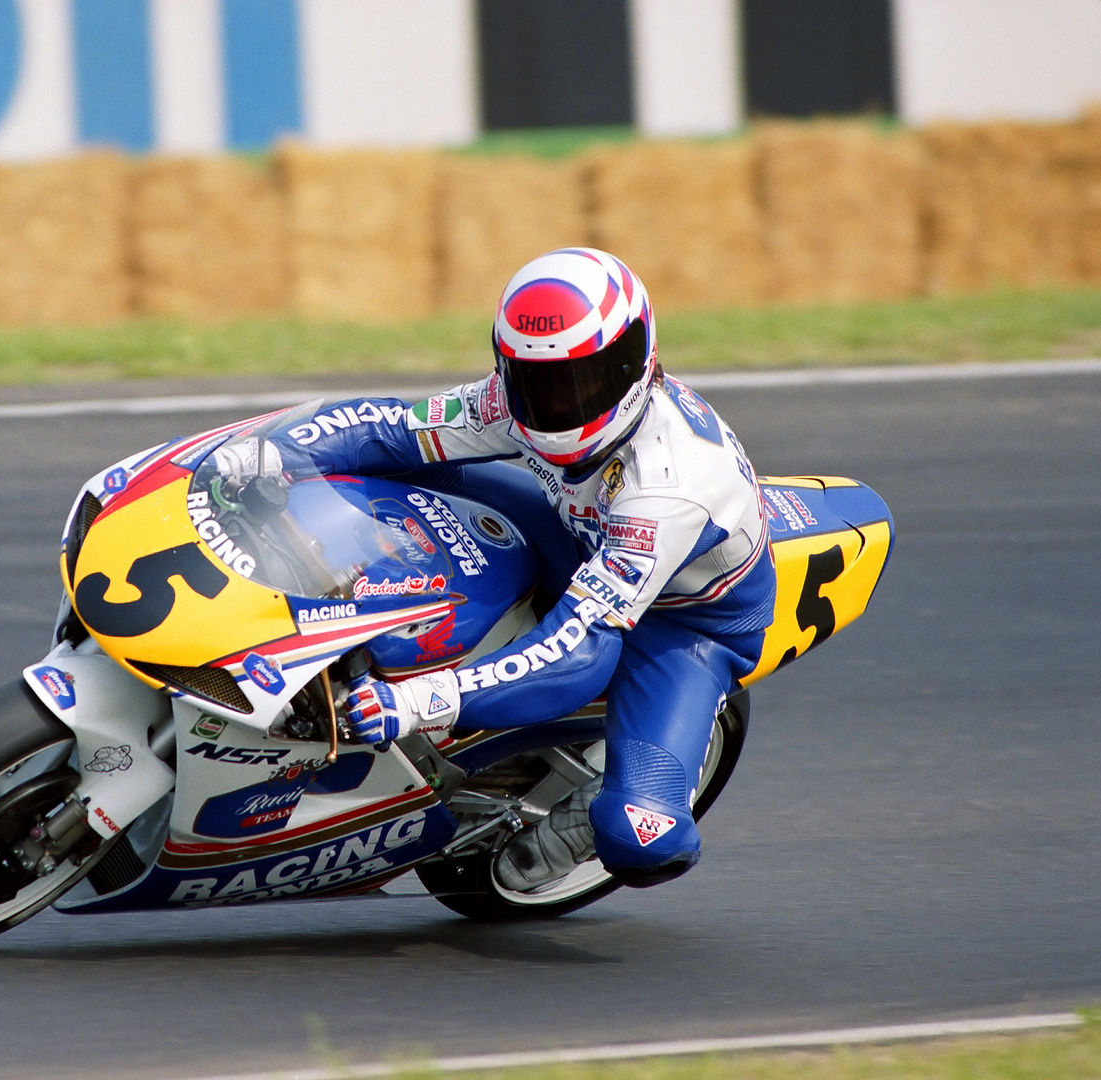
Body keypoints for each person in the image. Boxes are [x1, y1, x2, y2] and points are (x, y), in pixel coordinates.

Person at [262, 248, 774, 890]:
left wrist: (417, 702)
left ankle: (589, 813)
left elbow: (577, 647)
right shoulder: (510, 401)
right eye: (537, 384)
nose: (558, 405)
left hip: (680, 622)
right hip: (574, 531)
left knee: (640, 834)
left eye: (583, 382)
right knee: (402, 461)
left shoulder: (667, 494)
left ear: (632, 365)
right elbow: (395, 426)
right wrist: (267, 455)